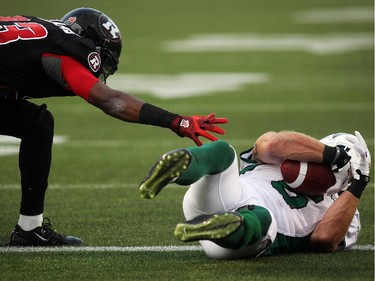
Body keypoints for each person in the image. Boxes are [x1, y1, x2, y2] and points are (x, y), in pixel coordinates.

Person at [0, 7, 228, 246]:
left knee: (37, 124)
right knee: (38, 125)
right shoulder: (65, 51)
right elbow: (113, 102)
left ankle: (29, 229)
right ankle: (29, 229)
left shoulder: (36, 27)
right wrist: (175, 121)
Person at [139, 130, 371, 259]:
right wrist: (334, 156)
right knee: (223, 152)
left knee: (263, 218)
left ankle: (222, 226)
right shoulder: (288, 157)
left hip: (240, 241)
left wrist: (357, 186)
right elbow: (270, 143)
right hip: (226, 196)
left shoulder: (344, 209)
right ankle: (181, 165)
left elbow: (325, 239)